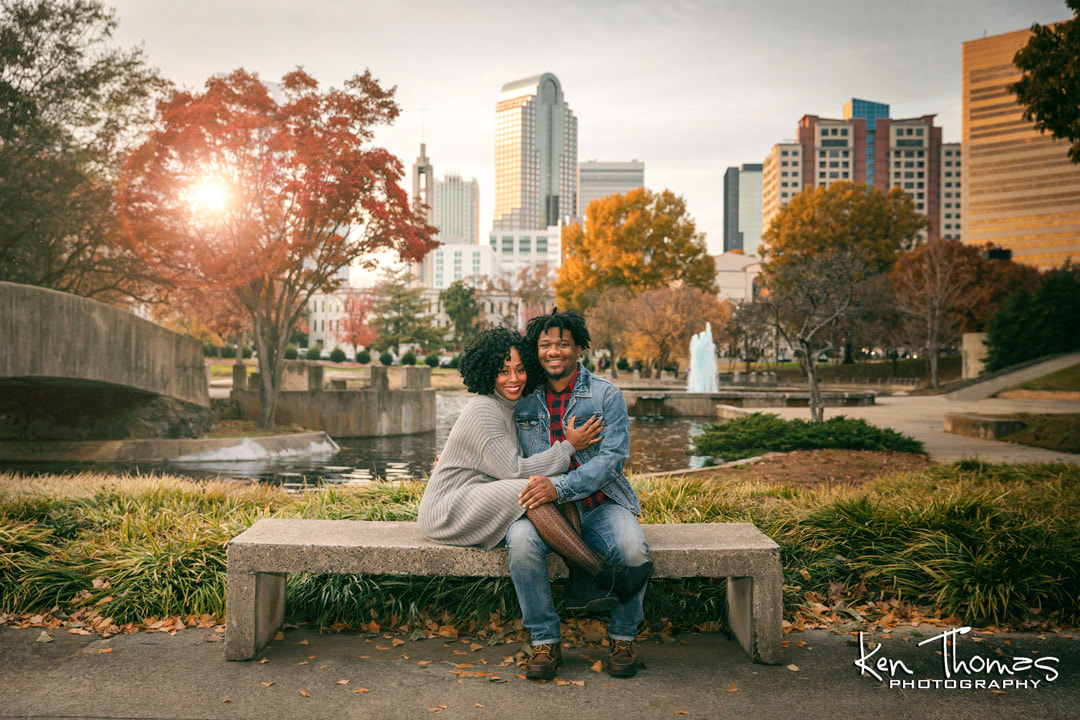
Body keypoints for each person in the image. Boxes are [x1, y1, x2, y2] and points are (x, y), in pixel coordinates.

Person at [417, 327, 648, 603]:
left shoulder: (510, 406)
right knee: (534, 490)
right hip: (448, 507)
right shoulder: (484, 409)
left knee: (547, 487)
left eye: (521, 369)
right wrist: (569, 446)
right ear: (488, 371)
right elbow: (513, 471)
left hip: (475, 494)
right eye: (504, 371)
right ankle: (602, 574)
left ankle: (580, 582)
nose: (514, 379)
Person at [508, 309, 652, 681]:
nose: (553, 351)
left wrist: (559, 486)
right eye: (545, 345)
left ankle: (622, 637)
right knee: (521, 544)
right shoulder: (522, 398)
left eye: (562, 343)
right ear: (534, 350)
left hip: (600, 502)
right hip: (543, 513)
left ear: (579, 348)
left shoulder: (606, 396)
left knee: (632, 547)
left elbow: (612, 461)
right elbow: (502, 450)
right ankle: (544, 640)